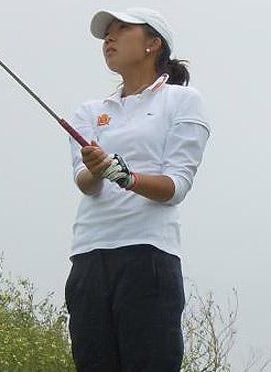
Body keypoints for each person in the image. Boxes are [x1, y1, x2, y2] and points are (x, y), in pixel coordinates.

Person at [65, 7, 211, 372]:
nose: (109, 38)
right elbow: (85, 183)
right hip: (88, 256)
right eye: (106, 34)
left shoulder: (183, 100)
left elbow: (176, 185)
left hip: (148, 256)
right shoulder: (90, 110)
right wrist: (98, 169)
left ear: (153, 43)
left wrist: (127, 177)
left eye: (121, 29)